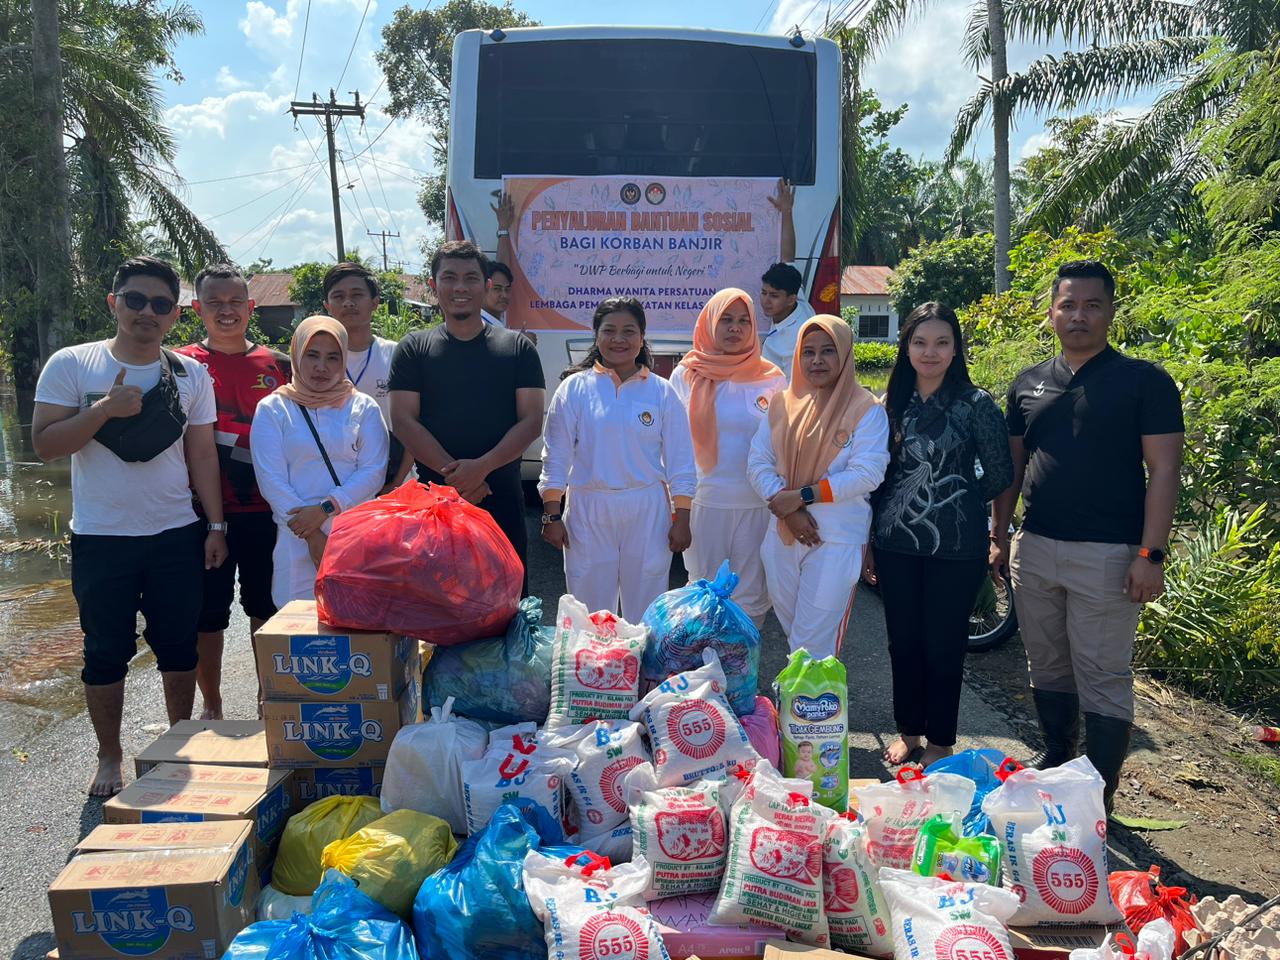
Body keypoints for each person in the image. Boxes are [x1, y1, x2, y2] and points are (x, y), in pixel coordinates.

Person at [991, 260, 1183, 813]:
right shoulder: (1028, 383)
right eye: (1069, 305)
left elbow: (1164, 471)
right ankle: (1056, 757)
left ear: (1110, 312)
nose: (1079, 315)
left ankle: (1097, 796)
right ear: (1052, 312)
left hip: (1110, 554)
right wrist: (1000, 536)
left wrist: (1151, 554)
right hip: (1037, 547)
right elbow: (1012, 467)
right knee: (1046, 663)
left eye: (1092, 305)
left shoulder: (1143, 382)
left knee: (1102, 674)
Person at [31, 255, 227, 797]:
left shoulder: (191, 374)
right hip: (100, 535)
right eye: (136, 300)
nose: (147, 312)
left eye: (160, 305)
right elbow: (45, 446)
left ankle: (177, 742)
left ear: (174, 316)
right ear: (114, 302)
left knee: (178, 644)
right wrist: (102, 412)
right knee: (104, 649)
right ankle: (109, 754)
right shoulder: (72, 364)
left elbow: (203, 456)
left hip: (174, 532)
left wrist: (215, 525)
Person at [863, 302, 1014, 767]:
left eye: (942, 342)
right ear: (905, 347)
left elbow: (1001, 472)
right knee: (902, 642)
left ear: (955, 349)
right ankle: (909, 730)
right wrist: (870, 538)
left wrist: (957, 497)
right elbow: (878, 478)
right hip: (895, 543)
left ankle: (942, 741)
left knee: (944, 644)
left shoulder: (976, 404)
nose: (930, 352)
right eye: (920, 342)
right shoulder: (891, 405)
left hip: (955, 546)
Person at [389, 240, 545, 593]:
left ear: (487, 286)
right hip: (434, 501)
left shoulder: (518, 349)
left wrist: (482, 468)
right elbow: (403, 422)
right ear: (433, 285)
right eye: (449, 277)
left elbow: (531, 421)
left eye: (471, 278)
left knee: (505, 603)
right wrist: (458, 477)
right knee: (438, 606)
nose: (460, 287)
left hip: (500, 495)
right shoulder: (413, 349)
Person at [177, 263, 290, 720]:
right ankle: (213, 705)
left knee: (265, 607)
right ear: (197, 308)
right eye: (215, 303)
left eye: (235, 302)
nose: (226, 311)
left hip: (265, 510)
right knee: (208, 615)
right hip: (200, 513)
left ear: (251, 306)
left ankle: (269, 699)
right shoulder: (179, 365)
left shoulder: (280, 365)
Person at [539, 297, 697, 620]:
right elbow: (555, 457)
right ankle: (595, 670)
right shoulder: (574, 389)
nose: (619, 339)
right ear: (596, 337)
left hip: (647, 508)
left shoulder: (662, 392)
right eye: (609, 330)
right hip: (588, 508)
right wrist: (552, 515)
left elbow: (681, 460)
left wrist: (683, 517)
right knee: (590, 612)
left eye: (629, 331)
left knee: (647, 609)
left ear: (642, 338)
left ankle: (641, 670)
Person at [748, 315, 889, 658]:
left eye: (828, 351)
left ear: (845, 356)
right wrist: (786, 506)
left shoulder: (866, 410)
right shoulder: (782, 404)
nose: (817, 360)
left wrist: (803, 497)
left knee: (812, 645)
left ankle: (809, 709)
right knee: (795, 634)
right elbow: (757, 462)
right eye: (808, 352)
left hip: (836, 539)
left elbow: (868, 472)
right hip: (782, 533)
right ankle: (801, 707)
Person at [250, 316, 389, 607]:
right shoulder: (274, 409)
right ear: (297, 354)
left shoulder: (363, 407)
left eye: (332, 357)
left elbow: (373, 471)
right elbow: (271, 480)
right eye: (312, 355)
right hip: (296, 536)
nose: (321, 367)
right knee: (300, 632)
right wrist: (312, 533)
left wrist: (328, 508)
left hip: (354, 537)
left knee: (357, 633)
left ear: (344, 360)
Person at [670, 288, 785, 626]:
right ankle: (704, 676)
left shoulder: (773, 378)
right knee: (703, 594)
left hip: (757, 506)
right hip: (704, 504)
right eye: (726, 320)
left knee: (749, 597)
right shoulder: (687, 375)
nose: (735, 328)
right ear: (709, 323)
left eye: (743, 321)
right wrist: (676, 508)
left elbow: (783, 444)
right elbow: (674, 448)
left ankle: (742, 674)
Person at [322, 261, 412, 492]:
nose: (348, 302)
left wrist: (396, 483)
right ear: (327, 306)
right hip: (336, 488)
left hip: (396, 485)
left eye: (357, 294)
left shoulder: (397, 354)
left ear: (375, 302)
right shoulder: (314, 363)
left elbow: (416, 425)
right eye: (338, 296)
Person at [758, 262, 816, 377]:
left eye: (774, 296)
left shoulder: (795, 340)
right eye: (764, 293)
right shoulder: (800, 301)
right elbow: (788, 254)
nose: (766, 301)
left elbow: (792, 386)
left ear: (791, 300)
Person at [482, 260, 513, 326]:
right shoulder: (477, 326)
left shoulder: (498, 324)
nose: (504, 295)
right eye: (497, 289)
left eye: (507, 289)